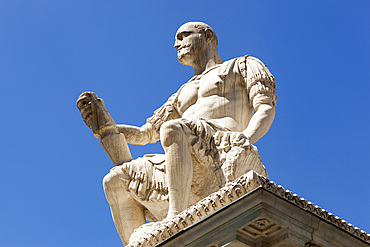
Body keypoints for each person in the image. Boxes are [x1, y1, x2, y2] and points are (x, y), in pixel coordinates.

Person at [77, 21, 276, 245]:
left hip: (224, 148)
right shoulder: (181, 93)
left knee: (172, 128)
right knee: (114, 179)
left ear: (207, 36)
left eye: (183, 36)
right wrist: (104, 126)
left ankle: (176, 219)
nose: (176, 45)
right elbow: (145, 134)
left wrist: (247, 137)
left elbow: (266, 106)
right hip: (185, 161)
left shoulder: (242, 65)